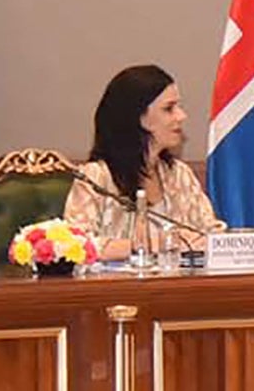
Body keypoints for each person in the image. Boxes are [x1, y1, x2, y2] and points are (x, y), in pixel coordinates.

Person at [59, 63, 222, 257]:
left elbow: (212, 233)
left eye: (179, 107)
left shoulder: (179, 174)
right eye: (169, 108)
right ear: (138, 117)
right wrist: (153, 244)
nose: (181, 116)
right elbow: (75, 245)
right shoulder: (96, 178)